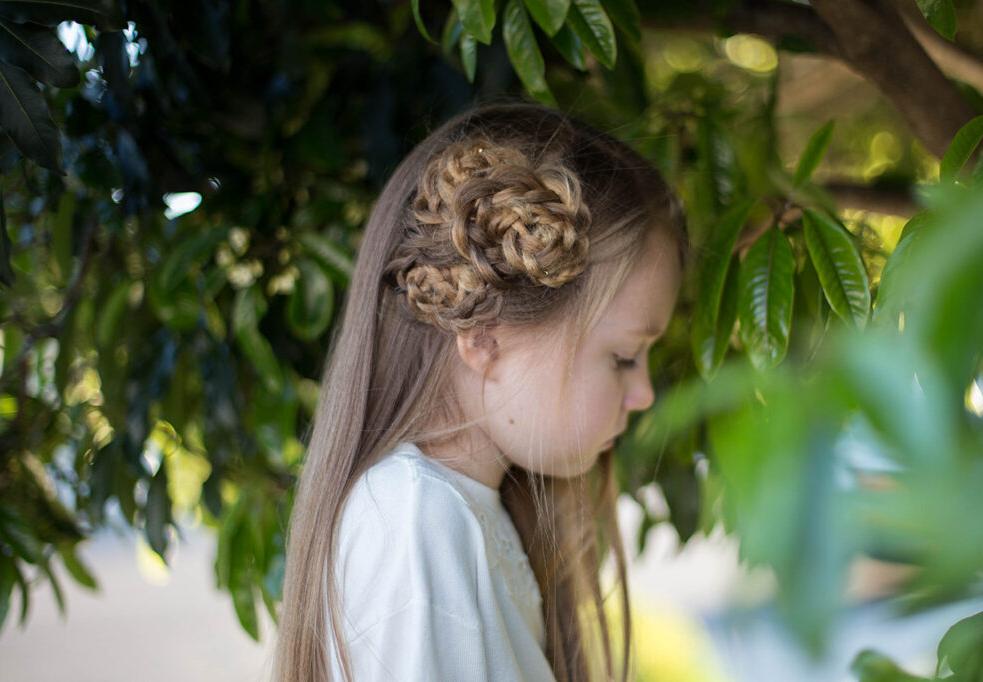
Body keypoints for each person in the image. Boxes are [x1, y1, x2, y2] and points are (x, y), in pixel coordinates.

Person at [273, 102, 686, 682]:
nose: (643, 393)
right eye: (623, 356)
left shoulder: (452, 515)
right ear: (486, 337)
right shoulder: (418, 522)